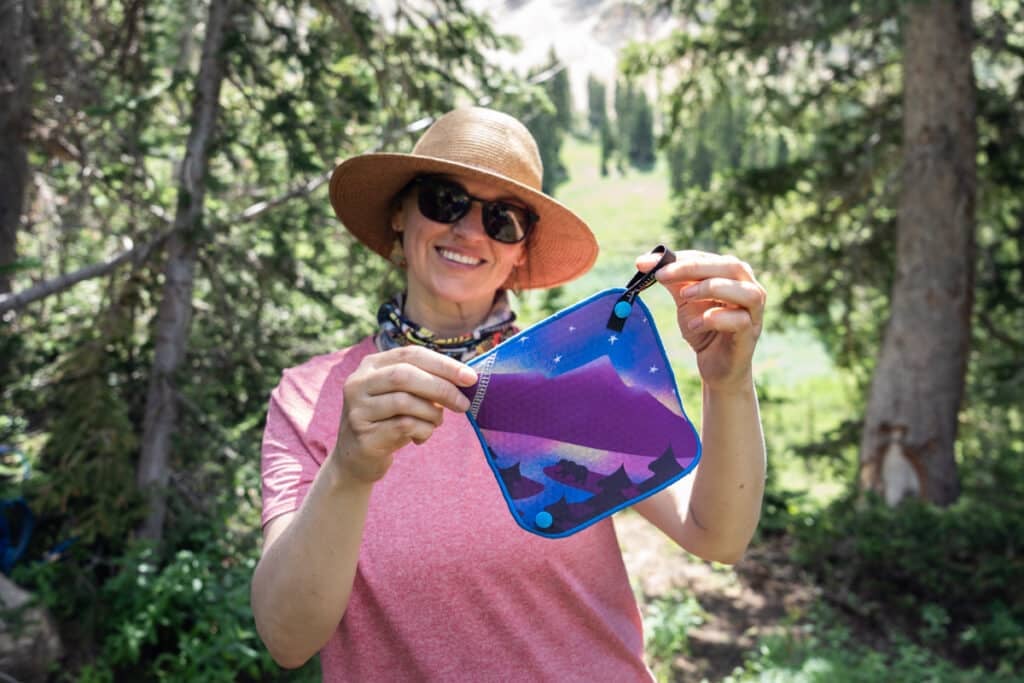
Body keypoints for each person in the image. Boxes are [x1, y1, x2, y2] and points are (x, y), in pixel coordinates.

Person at [251, 106, 767, 681]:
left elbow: (716, 534)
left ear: (521, 249)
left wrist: (728, 385)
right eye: (444, 200)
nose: (470, 230)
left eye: (503, 219)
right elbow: (286, 637)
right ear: (399, 212)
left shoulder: (565, 374)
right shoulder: (311, 400)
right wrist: (348, 471)